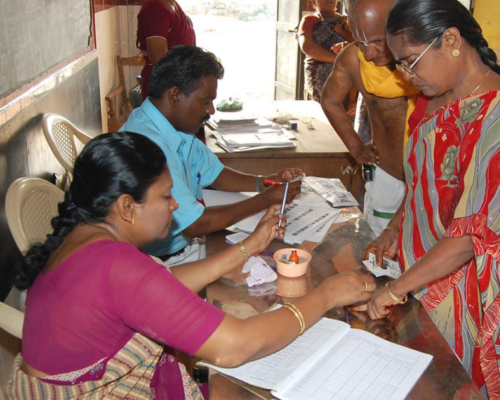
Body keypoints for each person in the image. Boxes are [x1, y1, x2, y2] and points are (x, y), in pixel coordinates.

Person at [3, 132, 373, 399]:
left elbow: (158, 284)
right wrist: (326, 295)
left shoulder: (81, 238)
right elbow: (236, 346)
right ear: (127, 207)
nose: (175, 206)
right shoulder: (116, 266)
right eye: (166, 196)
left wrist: (249, 247)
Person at [361, 0, 500, 398]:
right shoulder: (435, 96)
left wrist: (395, 290)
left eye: (411, 61)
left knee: (456, 383)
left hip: (470, 289)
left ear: (451, 40)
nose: (408, 76)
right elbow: (424, 183)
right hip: (425, 273)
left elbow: (468, 237)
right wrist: (396, 227)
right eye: (401, 65)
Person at [122, 45, 303, 266]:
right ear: (176, 95)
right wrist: (266, 199)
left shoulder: (174, 127)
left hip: (184, 248)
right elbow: (194, 224)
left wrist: (264, 182)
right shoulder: (146, 143)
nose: (211, 110)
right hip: (158, 263)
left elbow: (215, 174)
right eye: (206, 100)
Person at [321, 0, 419, 237]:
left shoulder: (428, 60)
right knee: (378, 252)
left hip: (430, 181)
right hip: (388, 176)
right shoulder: (354, 59)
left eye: (377, 41)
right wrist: (355, 147)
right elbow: (330, 101)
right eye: (360, 41)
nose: (368, 52)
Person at [137, 0, 196, 101]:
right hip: (166, 93)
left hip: (176, 88)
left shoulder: (169, 5)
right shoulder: (155, 8)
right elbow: (158, 59)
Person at [298, 0, 354, 103]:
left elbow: (357, 44)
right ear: (314, 3)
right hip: (318, 78)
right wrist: (340, 60)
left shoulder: (345, 21)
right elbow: (308, 47)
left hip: (346, 79)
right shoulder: (310, 20)